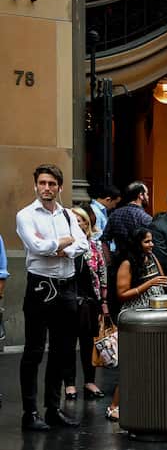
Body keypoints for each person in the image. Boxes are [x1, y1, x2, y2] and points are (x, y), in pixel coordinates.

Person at [15, 164, 88, 430]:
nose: (47, 188)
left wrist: (62, 248)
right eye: (43, 183)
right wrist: (62, 243)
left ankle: (53, 408)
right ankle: (30, 412)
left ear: (59, 187)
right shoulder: (25, 215)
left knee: (62, 350)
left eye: (52, 184)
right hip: (40, 287)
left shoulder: (68, 215)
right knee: (34, 351)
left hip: (67, 286)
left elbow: (84, 244)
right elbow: (36, 246)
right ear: (36, 185)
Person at [108, 226, 167, 419]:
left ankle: (149, 402)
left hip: (156, 314)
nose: (151, 244)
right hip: (135, 317)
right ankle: (115, 406)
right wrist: (148, 284)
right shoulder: (127, 263)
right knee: (133, 363)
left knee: (154, 363)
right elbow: (122, 294)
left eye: (151, 241)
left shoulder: (153, 257)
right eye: (147, 241)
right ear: (137, 243)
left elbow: (160, 280)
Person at [66, 206, 107, 402]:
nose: (77, 223)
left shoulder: (95, 247)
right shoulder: (65, 246)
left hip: (90, 300)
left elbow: (101, 274)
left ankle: (89, 381)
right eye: (73, 220)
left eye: (80, 220)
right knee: (67, 344)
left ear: (87, 223)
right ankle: (69, 384)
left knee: (87, 343)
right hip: (68, 299)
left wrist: (103, 303)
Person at [102, 181, 151, 254]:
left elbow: (104, 239)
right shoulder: (145, 218)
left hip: (118, 260)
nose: (148, 197)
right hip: (139, 260)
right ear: (141, 195)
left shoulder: (115, 214)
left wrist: (108, 260)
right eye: (147, 194)